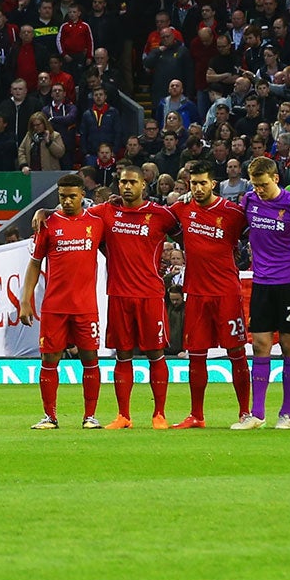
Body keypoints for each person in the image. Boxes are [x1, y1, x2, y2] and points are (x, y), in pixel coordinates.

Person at [92, 163, 175, 428]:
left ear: (143, 185)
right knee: (122, 354)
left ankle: (159, 414)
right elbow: (76, 217)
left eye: (132, 182)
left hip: (150, 294)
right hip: (118, 294)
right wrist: (45, 211)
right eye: (123, 182)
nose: (127, 186)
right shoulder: (106, 211)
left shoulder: (160, 215)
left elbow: (185, 236)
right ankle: (123, 415)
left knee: (155, 354)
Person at [168, 159, 249, 428]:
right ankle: (197, 415)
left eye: (203, 183)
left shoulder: (233, 212)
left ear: (214, 184)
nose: (199, 188)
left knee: (236, 351)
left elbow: (249, 236)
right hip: (197, 293)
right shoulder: (181, 208)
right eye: (194, 183)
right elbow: (159, 220)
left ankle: (244, 413)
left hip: (226, 291)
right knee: (197, 353)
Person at [20, 175, 105, 430]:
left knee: (90, 358)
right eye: (62, 197)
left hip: (85, 306)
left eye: (72, 196)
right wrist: (25, 300)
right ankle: (50, 417)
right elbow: (35, 263)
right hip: (54, 306)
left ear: (82, 196)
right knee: (49, 360)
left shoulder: (98, 222)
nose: (67, 201)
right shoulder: (47, 224)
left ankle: (90, 416)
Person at [237, 155, 290, 429]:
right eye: (255, 184)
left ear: (276, 179)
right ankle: (257, 414)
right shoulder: (249, 201)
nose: (259, 190)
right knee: (259, 345)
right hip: (262, 283)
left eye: (264, 184)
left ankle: (287, 413)